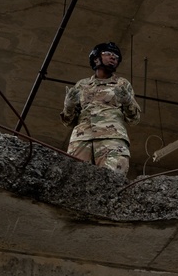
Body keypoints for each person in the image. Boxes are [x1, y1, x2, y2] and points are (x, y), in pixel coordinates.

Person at [60, 41, 141, 177]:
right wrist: (69, 106)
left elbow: (134, 120)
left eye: (116, 56)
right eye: (108, 54)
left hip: (111, 139)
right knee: (75, 180)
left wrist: (127, 102)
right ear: (96, 58)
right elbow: (68, 122)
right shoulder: (82, 85)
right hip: (81, 140)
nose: (113, 57)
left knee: (111, 179)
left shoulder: (122, 84)